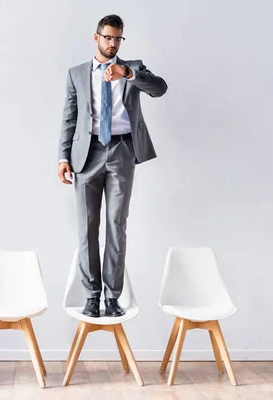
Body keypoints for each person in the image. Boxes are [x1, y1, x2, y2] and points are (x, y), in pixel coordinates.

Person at [57, 14, 167, 318]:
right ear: (96, 38)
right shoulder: (77, 74)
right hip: (86, 154)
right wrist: (63, 157)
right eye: (107, 37)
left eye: (118, 38)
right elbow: (69, 117)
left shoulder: (132, 67)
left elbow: (160, 88)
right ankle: (92, 295)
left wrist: (128, 74)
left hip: (121, 150)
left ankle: (113, 297)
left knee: (117, 226)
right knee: (87, 229)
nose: (112, 43)